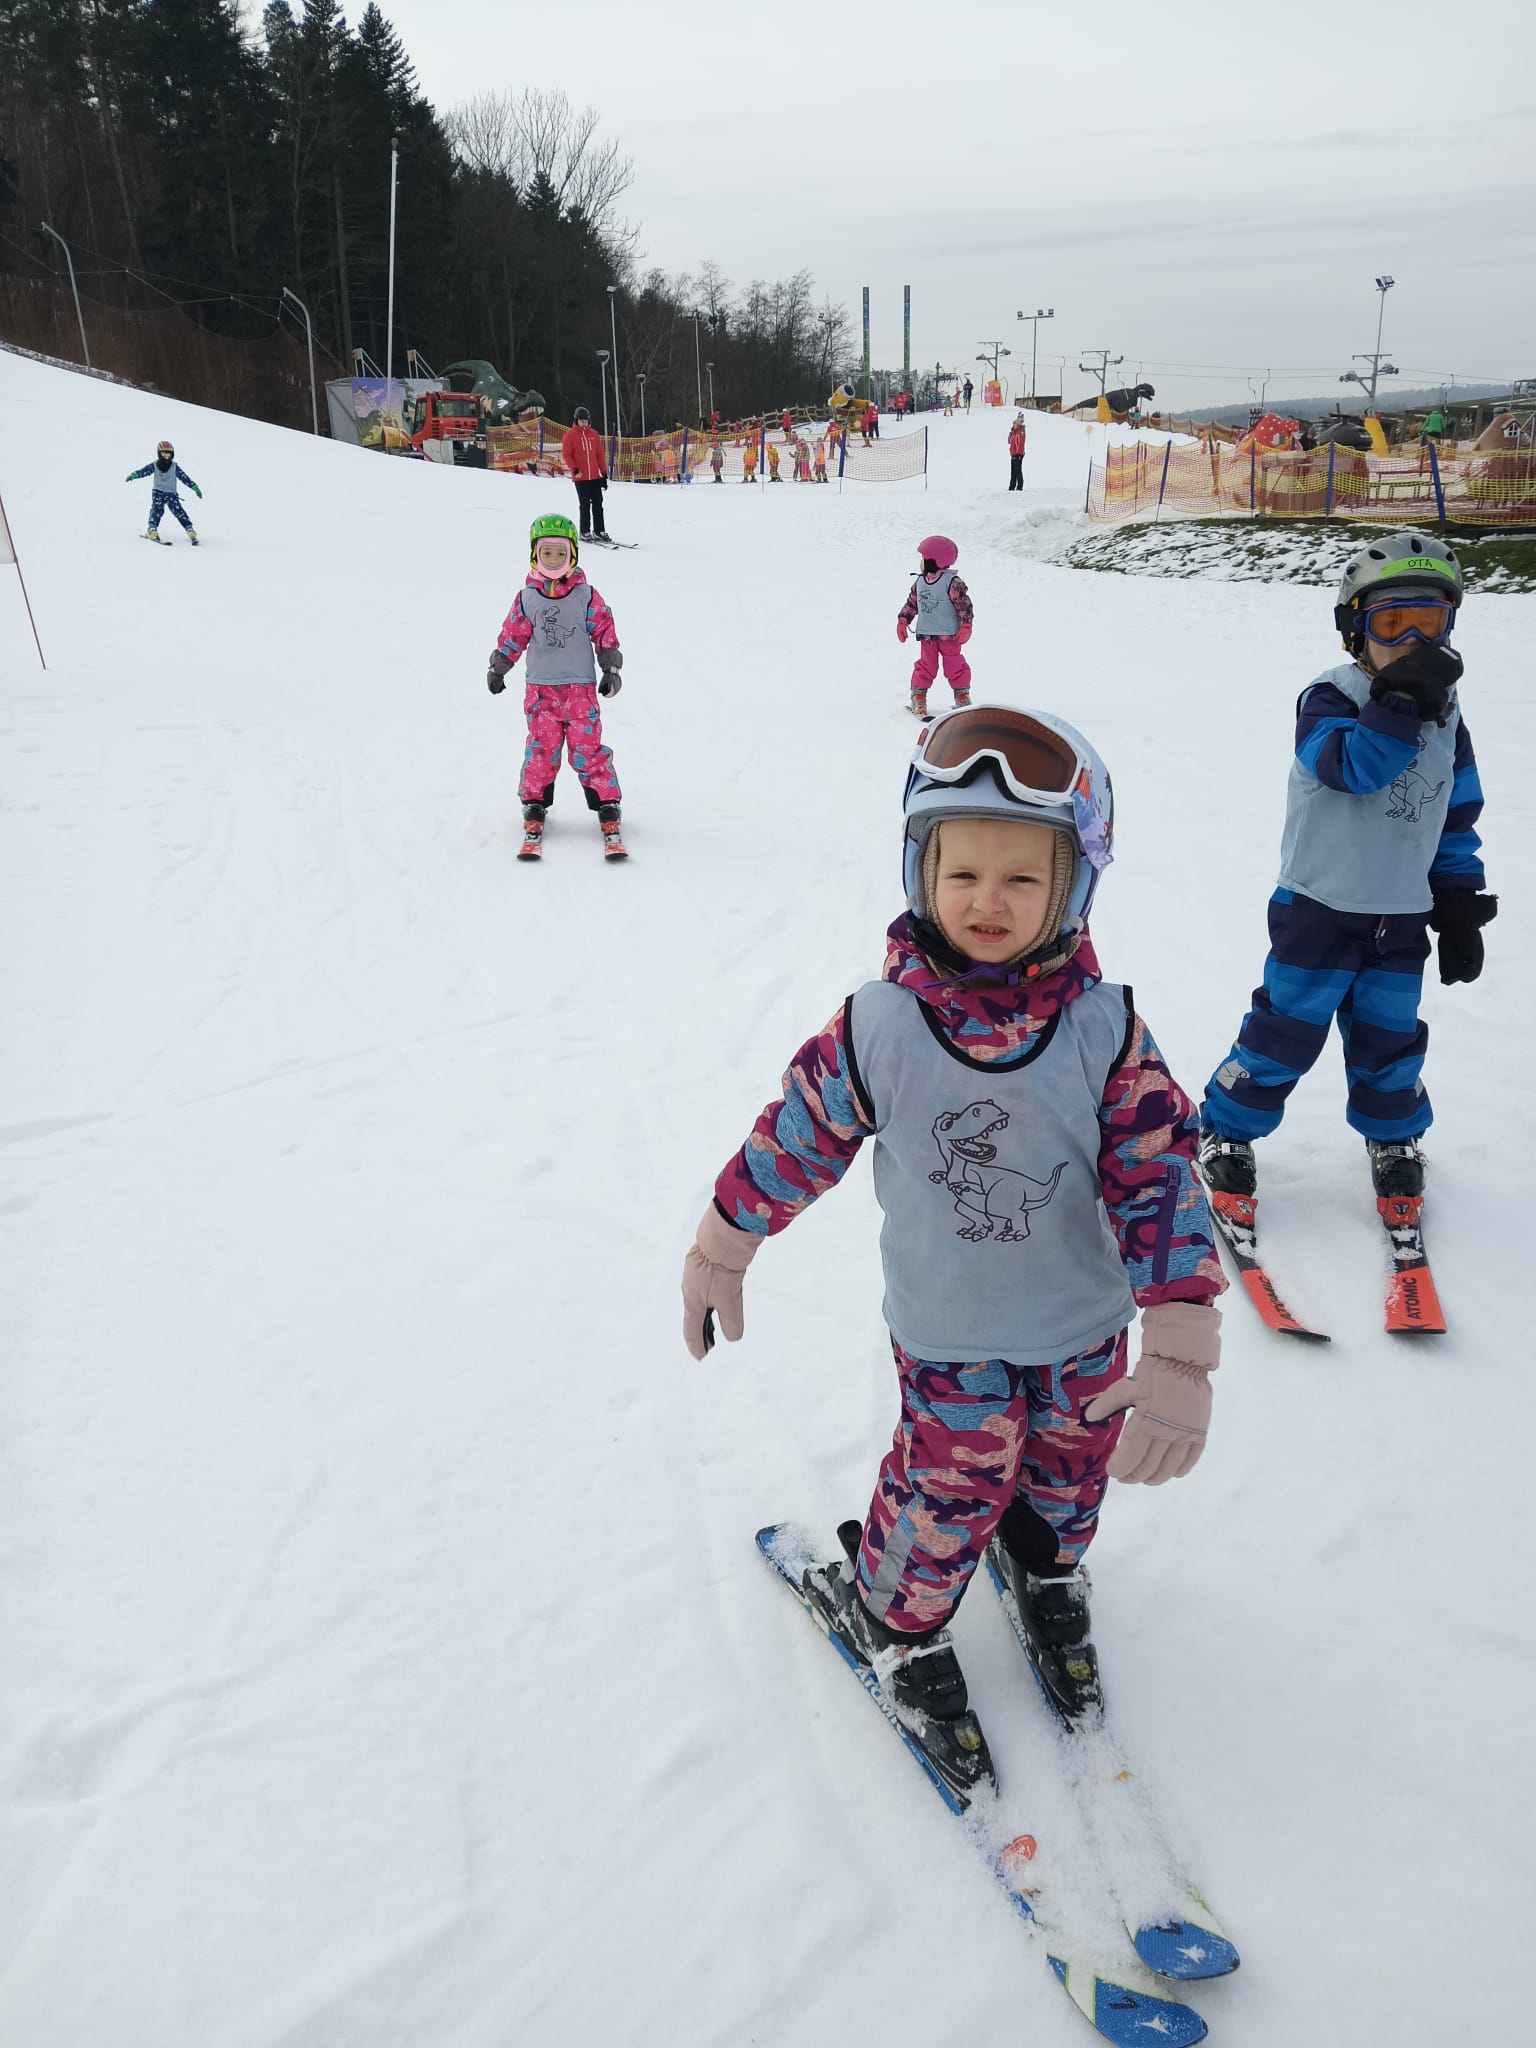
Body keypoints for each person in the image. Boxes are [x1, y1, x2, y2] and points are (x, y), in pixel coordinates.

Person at [680, 706, 1224, 1779]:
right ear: (920, 870)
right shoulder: (878, 1027)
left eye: (1023, 877)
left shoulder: (1105, 1032)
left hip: (1083, 1329)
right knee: (947, 1487)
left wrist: (1181, 1341)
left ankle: (1044, 1566)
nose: (988, 900)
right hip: (950, 1337)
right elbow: (795, 1137)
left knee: (1072, 1475)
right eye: (962, 871)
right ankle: (898, 1617)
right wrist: (723, 1241)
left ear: (1074, 887)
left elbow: (1160, 1177)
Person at [1199, 532, 1493, 1208]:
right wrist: (1400, 702)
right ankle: (1227, 1130)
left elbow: (1455, 815)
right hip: (1320, 909)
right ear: (1355, 630)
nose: (1412, 643)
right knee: (1285, 1033)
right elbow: (1356, 769)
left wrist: (1458, 904)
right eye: (1392, 625)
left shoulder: (1448, 720)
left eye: (1429, 624)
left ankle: (1394, 1136)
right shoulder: (1331, 700)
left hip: (1402, 914)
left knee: (1391, 1040)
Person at [485, 513, 627, 860]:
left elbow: (604, 632)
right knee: (541, 750)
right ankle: (534, 802)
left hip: (580, 692)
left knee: (587, 750)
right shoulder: (526, 599)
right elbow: (513, 635)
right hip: (542, 692)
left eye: (560, 553)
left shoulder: (586, 596)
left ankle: (606, 804)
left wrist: (610, 669)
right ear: (535, 554)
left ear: (572, 554)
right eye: (546, 553)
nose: (552, 560)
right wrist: (499, 667)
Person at [897, 534, 974, 716]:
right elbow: (912, 603)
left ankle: (962, 696)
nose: (921, 562)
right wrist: (903, 620)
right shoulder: (920, 582)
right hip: (928, 635)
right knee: (926, 666)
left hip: (950, 635)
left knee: (955, 665)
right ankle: (918, 697)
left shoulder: (953, 583)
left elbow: (964, 605)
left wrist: (966, 625)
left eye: (923, 558)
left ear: (933, 560)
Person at [127, 439, 201, 543]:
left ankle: (189, 529)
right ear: (159, 453)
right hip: (158, 492)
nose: (166, 456)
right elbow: (145, 471)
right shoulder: (154, 465)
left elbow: (184, 477)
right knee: (156, 511)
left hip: (171, 494)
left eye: (169, 454)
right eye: (164, 453)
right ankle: (152, 529)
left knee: (179, 511)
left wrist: (194, 487)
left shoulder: (174, 467)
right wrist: (134, 475)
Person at [559, 406, 609, 542]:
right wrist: (574, 469)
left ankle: (599, 530)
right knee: (585, 504)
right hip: (580, 477)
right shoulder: (570, 436)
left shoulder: (594, 435)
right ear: (576, 421)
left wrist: (604, 473)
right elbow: (567, 455)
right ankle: (585, 531)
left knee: (598, 503)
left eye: (586, 421)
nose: (584, 423)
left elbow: (599, 455)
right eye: (581, 421)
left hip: (594, 476)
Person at [1007, 412, 1027, 490]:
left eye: (1015, 424)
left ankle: (1019, 487)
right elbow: (1009, 442)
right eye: (1013, 424)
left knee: (1018, 470)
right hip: (1013, 454)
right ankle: (1012, 486)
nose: (1013, 425)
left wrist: (1018, 454)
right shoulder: (1014, 433)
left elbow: (1020, 444)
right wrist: (1011, 434)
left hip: (1018, 454)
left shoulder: (1021, 432)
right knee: (1013, 471)